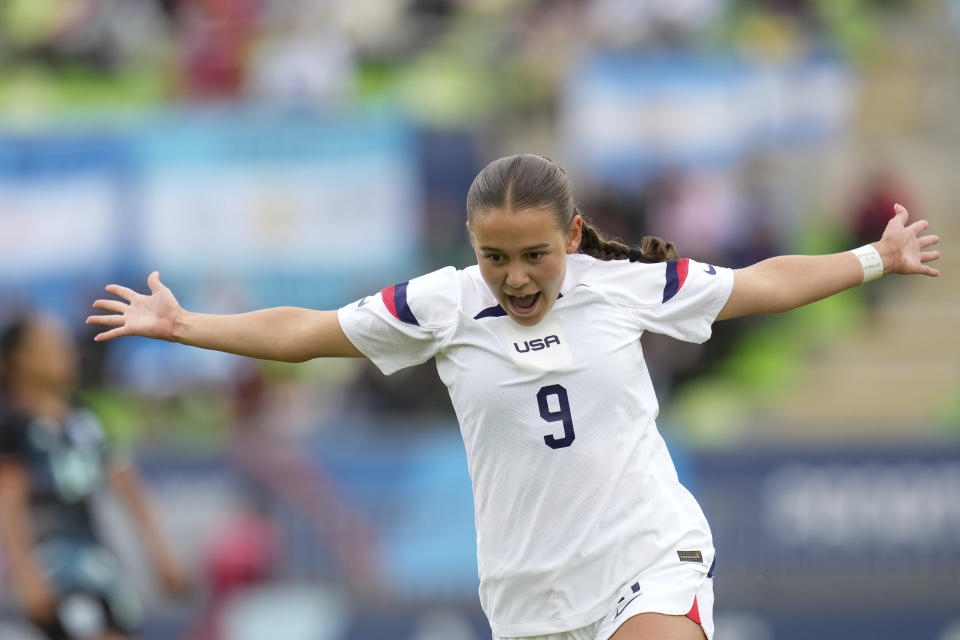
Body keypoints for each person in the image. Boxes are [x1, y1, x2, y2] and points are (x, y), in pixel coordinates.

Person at [85, 154, 941, 640]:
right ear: (472, 246)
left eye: (535, 254)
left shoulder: (629, 286)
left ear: (571, 235)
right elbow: (305, 333)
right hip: (527, 596)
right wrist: (189, 325)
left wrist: (874, 258)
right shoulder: (440, 304)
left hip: (644, 558)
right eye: (497, 258)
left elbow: (761, 284)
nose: (517, 277)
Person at [0, 314, 187, 640]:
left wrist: (161, 556)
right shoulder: (13, 426)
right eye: (48, 347)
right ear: (16, 361)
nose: (64, 354)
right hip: (54, 571)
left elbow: (128, 487)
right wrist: (27, 578)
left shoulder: (84, 418)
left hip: (100, 566)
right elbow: (9, 503)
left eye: (64, 346)